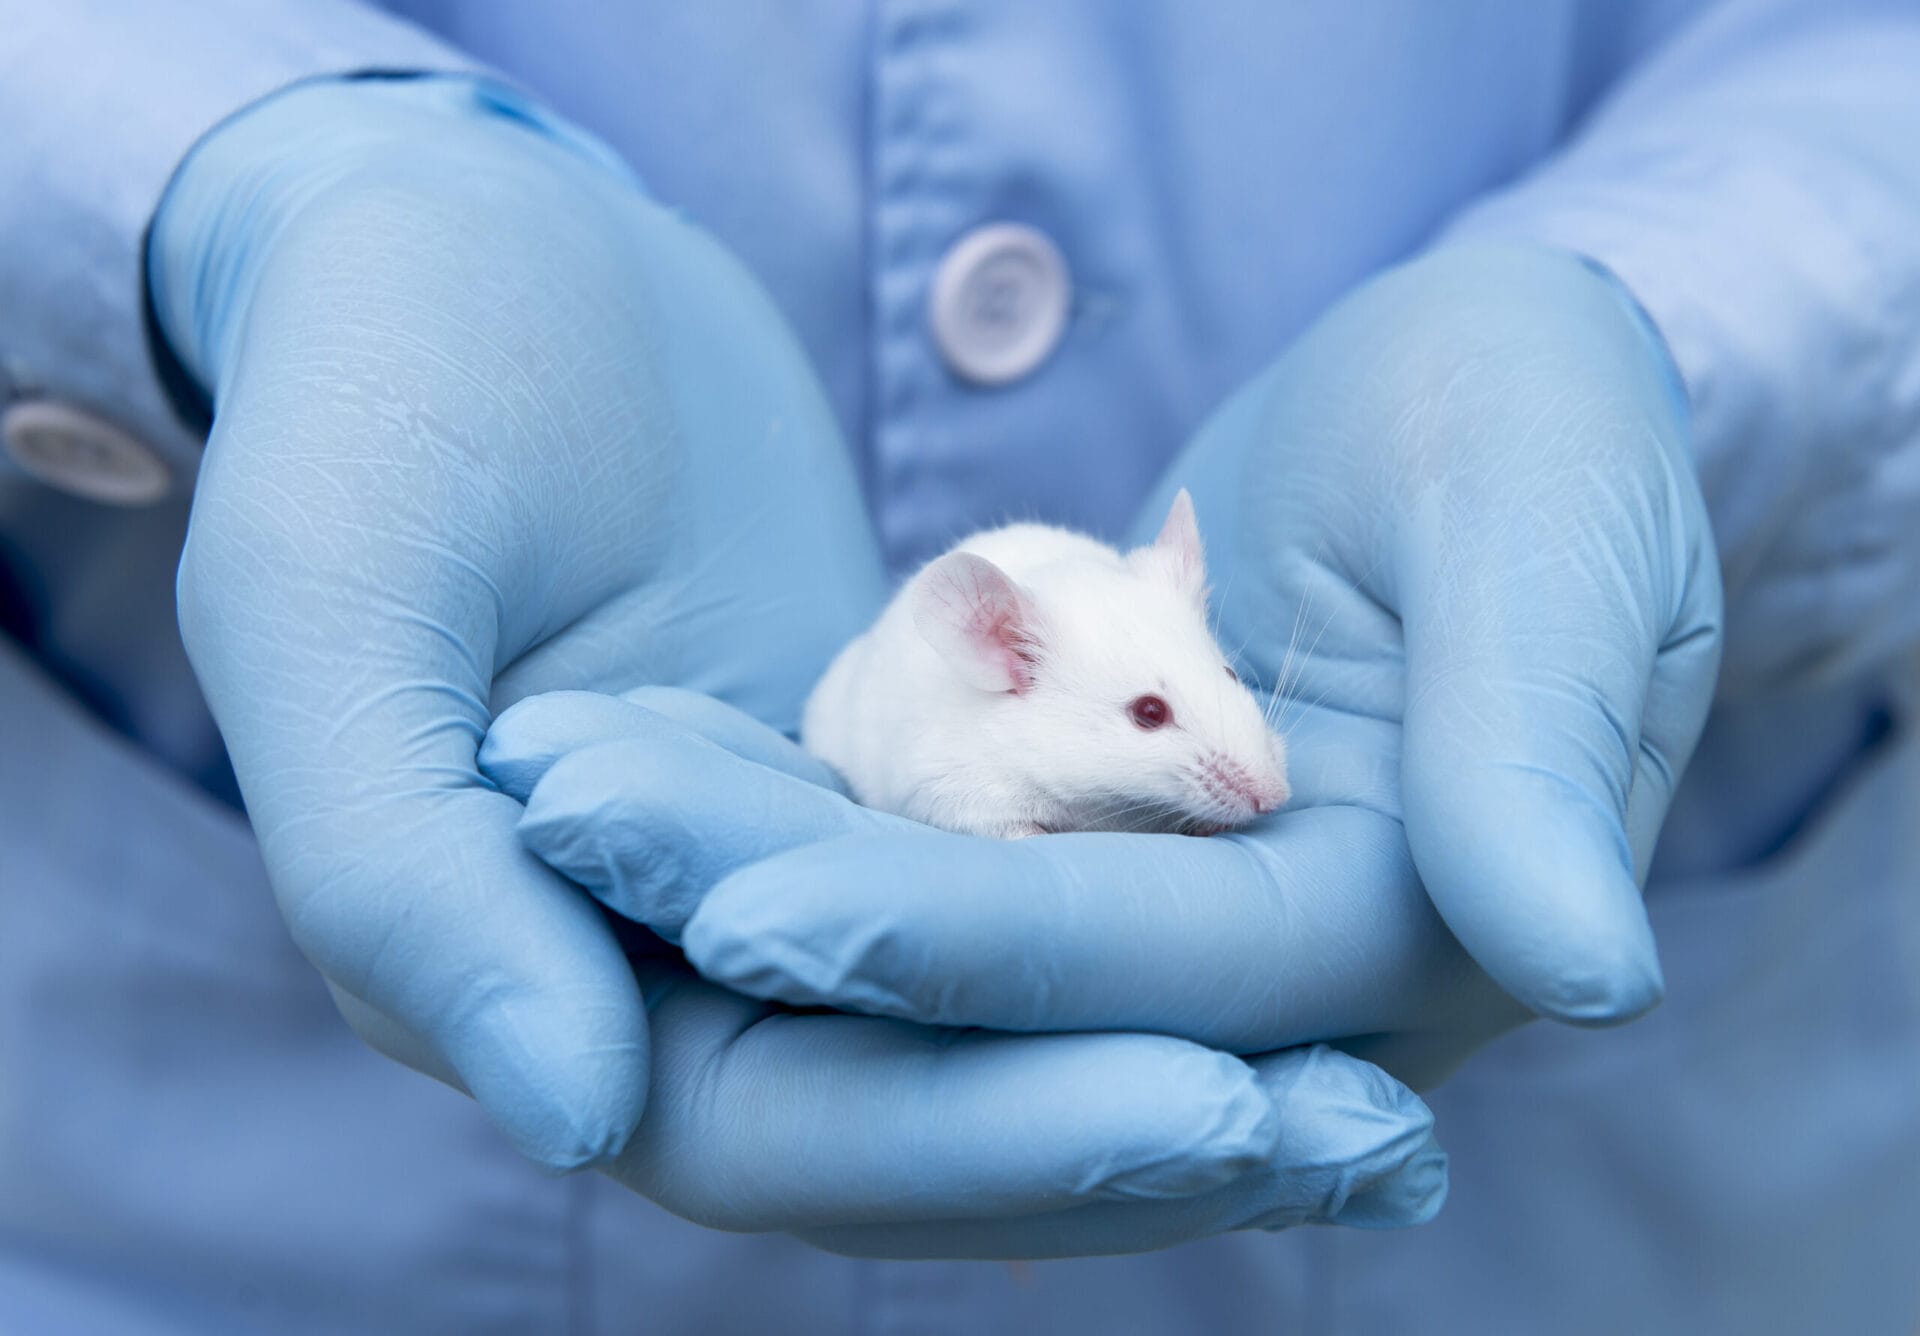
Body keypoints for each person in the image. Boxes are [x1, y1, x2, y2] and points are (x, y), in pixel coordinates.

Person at [4, 1, 1917, 1330]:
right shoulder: (971, 692)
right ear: (1003, 661)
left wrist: (1684, 322)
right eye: (1164, 719)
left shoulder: (1136, 663)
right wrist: (249, 182)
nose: (1241, 767)